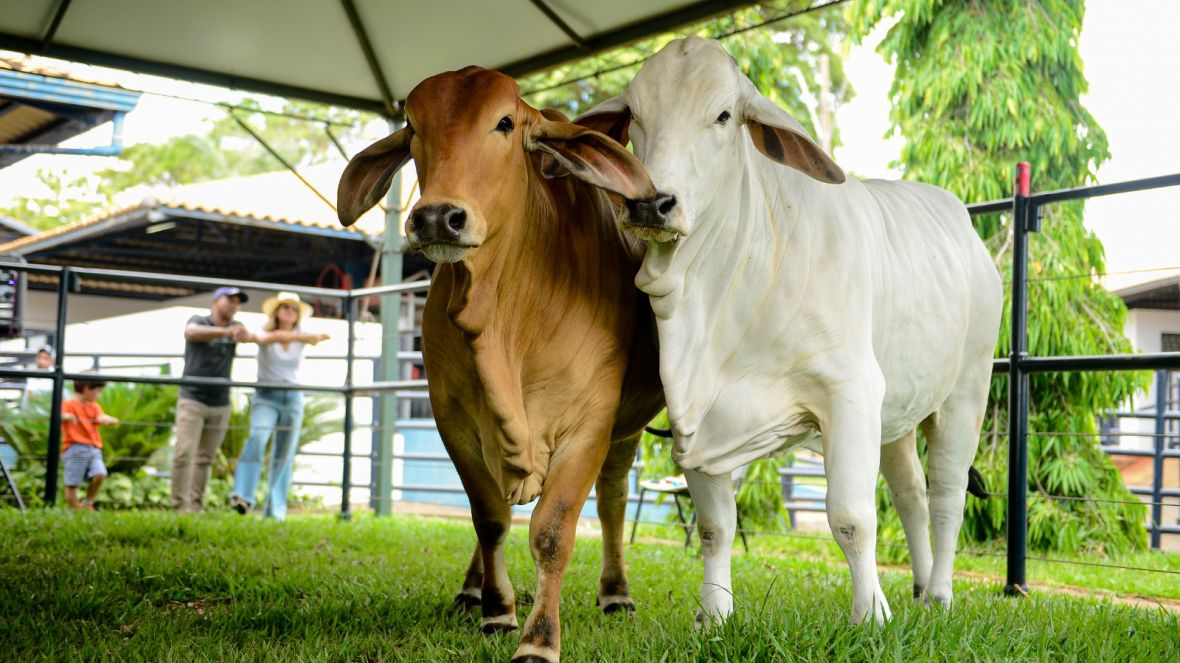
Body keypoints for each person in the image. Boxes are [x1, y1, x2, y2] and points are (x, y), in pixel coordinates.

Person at [230, 292, 327, 520]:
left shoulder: (300, 335)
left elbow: (318, 337)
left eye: (294, 308)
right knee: (258, 437)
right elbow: (256, 337)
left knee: (285, 454)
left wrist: (303, 337)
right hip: (266, 396)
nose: (289, 311)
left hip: (292, 397)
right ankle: (242, 495)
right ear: (277, 311)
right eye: (285, 307)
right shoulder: (265, 333)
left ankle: (275, 511)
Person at [170, 286, 255, 514]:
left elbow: (253, 337)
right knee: (183, 453)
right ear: (216, 301)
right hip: (192, 399)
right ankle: (180, 506)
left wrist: (243, 334)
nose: (233, 305)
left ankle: (196, 506)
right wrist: (226, 333)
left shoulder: (237, 328)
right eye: (229, 300)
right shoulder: (199, 321)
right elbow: (191, 332)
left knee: (205, 458)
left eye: (237, 302)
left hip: (220, 402)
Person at [61, 377, 119, 510]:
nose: (99, 395)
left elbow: (100, 417)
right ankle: (75, 510)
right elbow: (59, 414)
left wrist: (109, 419)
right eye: (98, 391)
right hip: (74, 448)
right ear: (87, 388)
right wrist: (66, 416)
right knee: (72, 484)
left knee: (100, 474)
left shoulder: (94, 406)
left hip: (93, 448)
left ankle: (87, 502)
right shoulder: (68, 404)